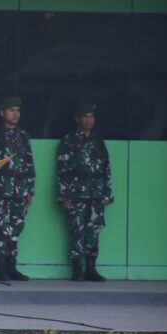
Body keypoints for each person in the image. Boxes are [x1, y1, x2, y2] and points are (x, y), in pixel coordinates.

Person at [57, 102, 112, 282]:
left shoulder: (98, 140)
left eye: (92, 116)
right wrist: (63, 195)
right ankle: (77, 270)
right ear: (77, 119)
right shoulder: (69, 140)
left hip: (96, 193)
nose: (89, 120)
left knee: (93, 231)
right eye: (85, 117)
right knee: (76, 231)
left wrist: (107, 193)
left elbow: (106, 168)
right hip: (76, 193)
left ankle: (91, 269)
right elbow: (62, 169)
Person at [0, 96, 35, 281]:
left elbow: (29, 164)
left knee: (16, 228)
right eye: (11, 110)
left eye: (17, 110)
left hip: (19, 190)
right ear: (2, 113)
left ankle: (12, 266)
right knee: (0, 228)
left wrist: (30, 190)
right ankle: (1, 268)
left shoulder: (23, 136)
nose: (15, 114)